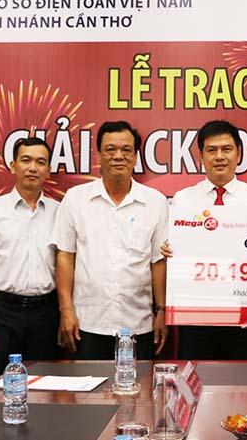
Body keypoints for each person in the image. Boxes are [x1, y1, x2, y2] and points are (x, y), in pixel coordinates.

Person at [51, 120, 169, 359]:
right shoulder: (75, 199)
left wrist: (162, 311)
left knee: (138, 384)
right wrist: (66, 310)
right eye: (110, 149)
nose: (118, 156)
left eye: (126, 150)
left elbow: (158, 261)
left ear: (135, 156)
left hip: (139, 324)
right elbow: (65, 256)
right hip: (86, 324)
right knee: (87, 385)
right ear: (99, 155)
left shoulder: (155, 201)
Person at [170, 120, 247, 359]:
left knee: (244, 380)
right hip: (196, 314)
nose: (219, 157)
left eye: (226, 149)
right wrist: (171, 251)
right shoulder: (183, 199)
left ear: (239, 154)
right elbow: (177, 252)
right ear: (201, 156)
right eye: (211, 150)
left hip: (245, 316)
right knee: (195, 378)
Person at [0, 137, 59, 381]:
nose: (33, 167)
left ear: (48, 170)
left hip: (46, 314)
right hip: (2, 313)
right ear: (13, 165)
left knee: (45, 388)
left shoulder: (59, 212)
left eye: (40, 162)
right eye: (26, 160)